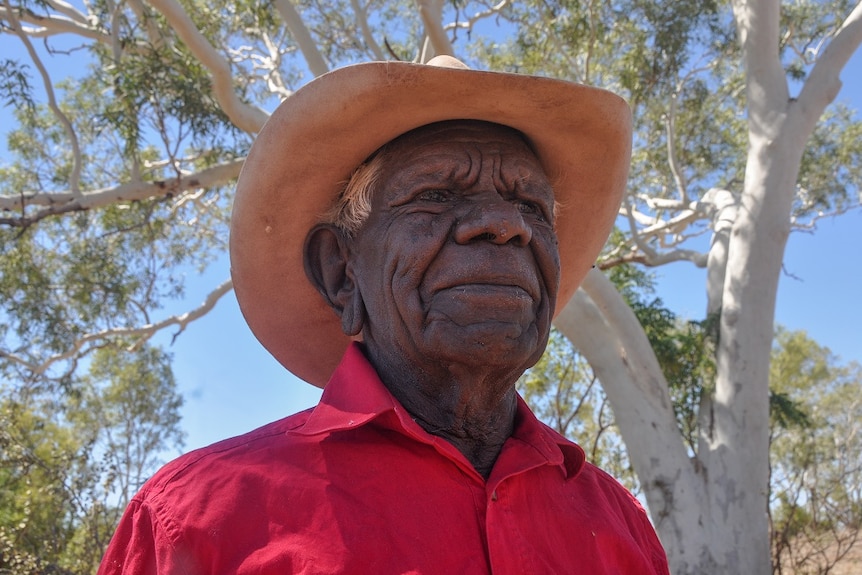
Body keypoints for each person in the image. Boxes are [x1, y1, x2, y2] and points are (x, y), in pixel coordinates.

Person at [98, 55, 669, 574]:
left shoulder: (622, 526)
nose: (506, 224)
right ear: (341, 271)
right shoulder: (194, 518)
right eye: (436, 195)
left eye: (530, 205)